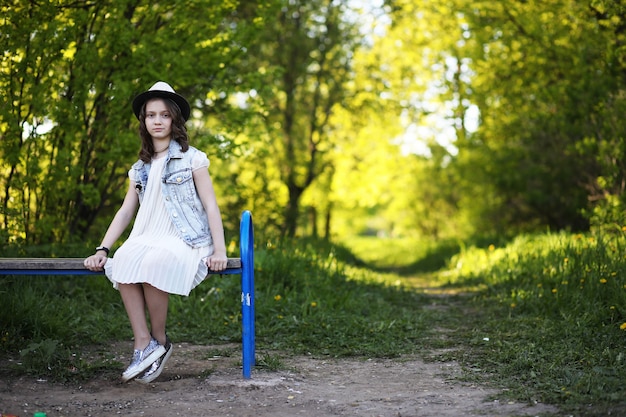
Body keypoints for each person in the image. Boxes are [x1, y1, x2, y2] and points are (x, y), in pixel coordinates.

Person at [84, 81, 228, 384]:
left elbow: (211, 206)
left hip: (186, 238)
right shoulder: (139, 168)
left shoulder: (193, 159)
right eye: (151, 115)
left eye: (164, 115)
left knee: (154, 264)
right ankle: (143, 343)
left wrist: (220, 250)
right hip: (147, 236)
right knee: (124, 260)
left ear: (174, 119)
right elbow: (125, 211)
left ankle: (160, 341)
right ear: (144, 121)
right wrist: (103, 249)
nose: (158, 121)